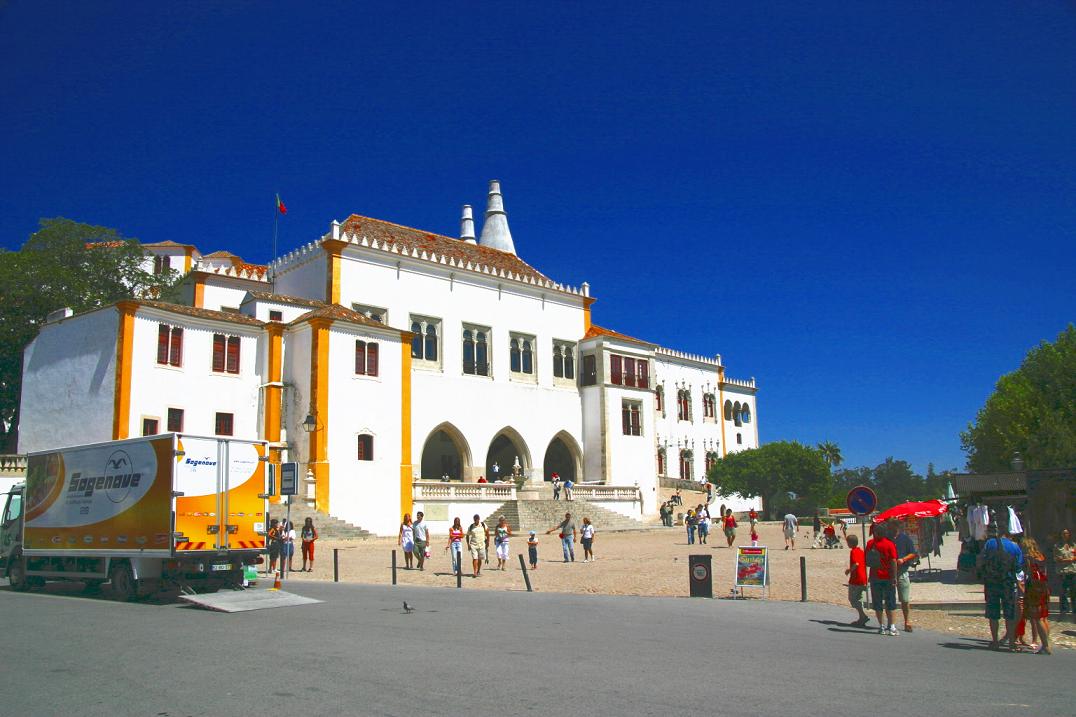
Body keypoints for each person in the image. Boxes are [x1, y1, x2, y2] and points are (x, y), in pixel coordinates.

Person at [977, 527, 1023, 651]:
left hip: (992, 582)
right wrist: (1020, 585)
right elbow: (1019, 568)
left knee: (993, 614)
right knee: (1010, 614)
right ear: (1010, 535)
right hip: (1008, 583)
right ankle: (1012, 643)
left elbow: (981, 560)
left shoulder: (990, 543)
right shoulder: (1015, 547)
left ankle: (995, 641)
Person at [1017, 536, 1051, 654]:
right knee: (1043, 616)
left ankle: (1045, 646)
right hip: (1043, 587)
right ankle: (1046, 642)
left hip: (1033, 589)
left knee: (1037, 618)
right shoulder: (1041, 556)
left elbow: (1027, 574)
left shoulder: (1028, 558)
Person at [865, 521, 899, 636]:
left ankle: (881, 626)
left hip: (875, 576)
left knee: (877, 602)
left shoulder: (870, 544)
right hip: (888, 577)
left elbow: (867, 560)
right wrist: (894, 577)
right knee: (890, 602)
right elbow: (893, 561)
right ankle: (892, 627)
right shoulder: (890, 544)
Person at [892, 521, 917, 632]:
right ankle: (891, 622)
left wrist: (903, 559)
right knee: (890, 598)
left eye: (894, 526)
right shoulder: (888, 539)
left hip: (902, 571)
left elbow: (913, 553)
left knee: (905, 599)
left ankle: (907, 620)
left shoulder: (905, 538)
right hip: (890, 572)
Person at [845, 533, 870, 627]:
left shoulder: (854, 551)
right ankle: (861, 618)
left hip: (856, 579)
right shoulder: (861, 551)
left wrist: (849, 570)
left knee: (852, 599)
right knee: (859, 598)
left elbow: (856, 564)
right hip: (863, 578)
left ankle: (863, 616)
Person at [1054, 528, 1075, 615]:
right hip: (1062, 571)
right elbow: (1056, 558)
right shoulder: (1057, 546)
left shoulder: (1073, 545)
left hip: (1073, 571)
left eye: (1067, 533)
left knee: (1074, 591)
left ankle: (1075, 609)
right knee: (1063, 592)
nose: (1065, 535)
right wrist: (1066, 559)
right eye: (1064, 533)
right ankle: (1064, 609)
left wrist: (1070, 559)